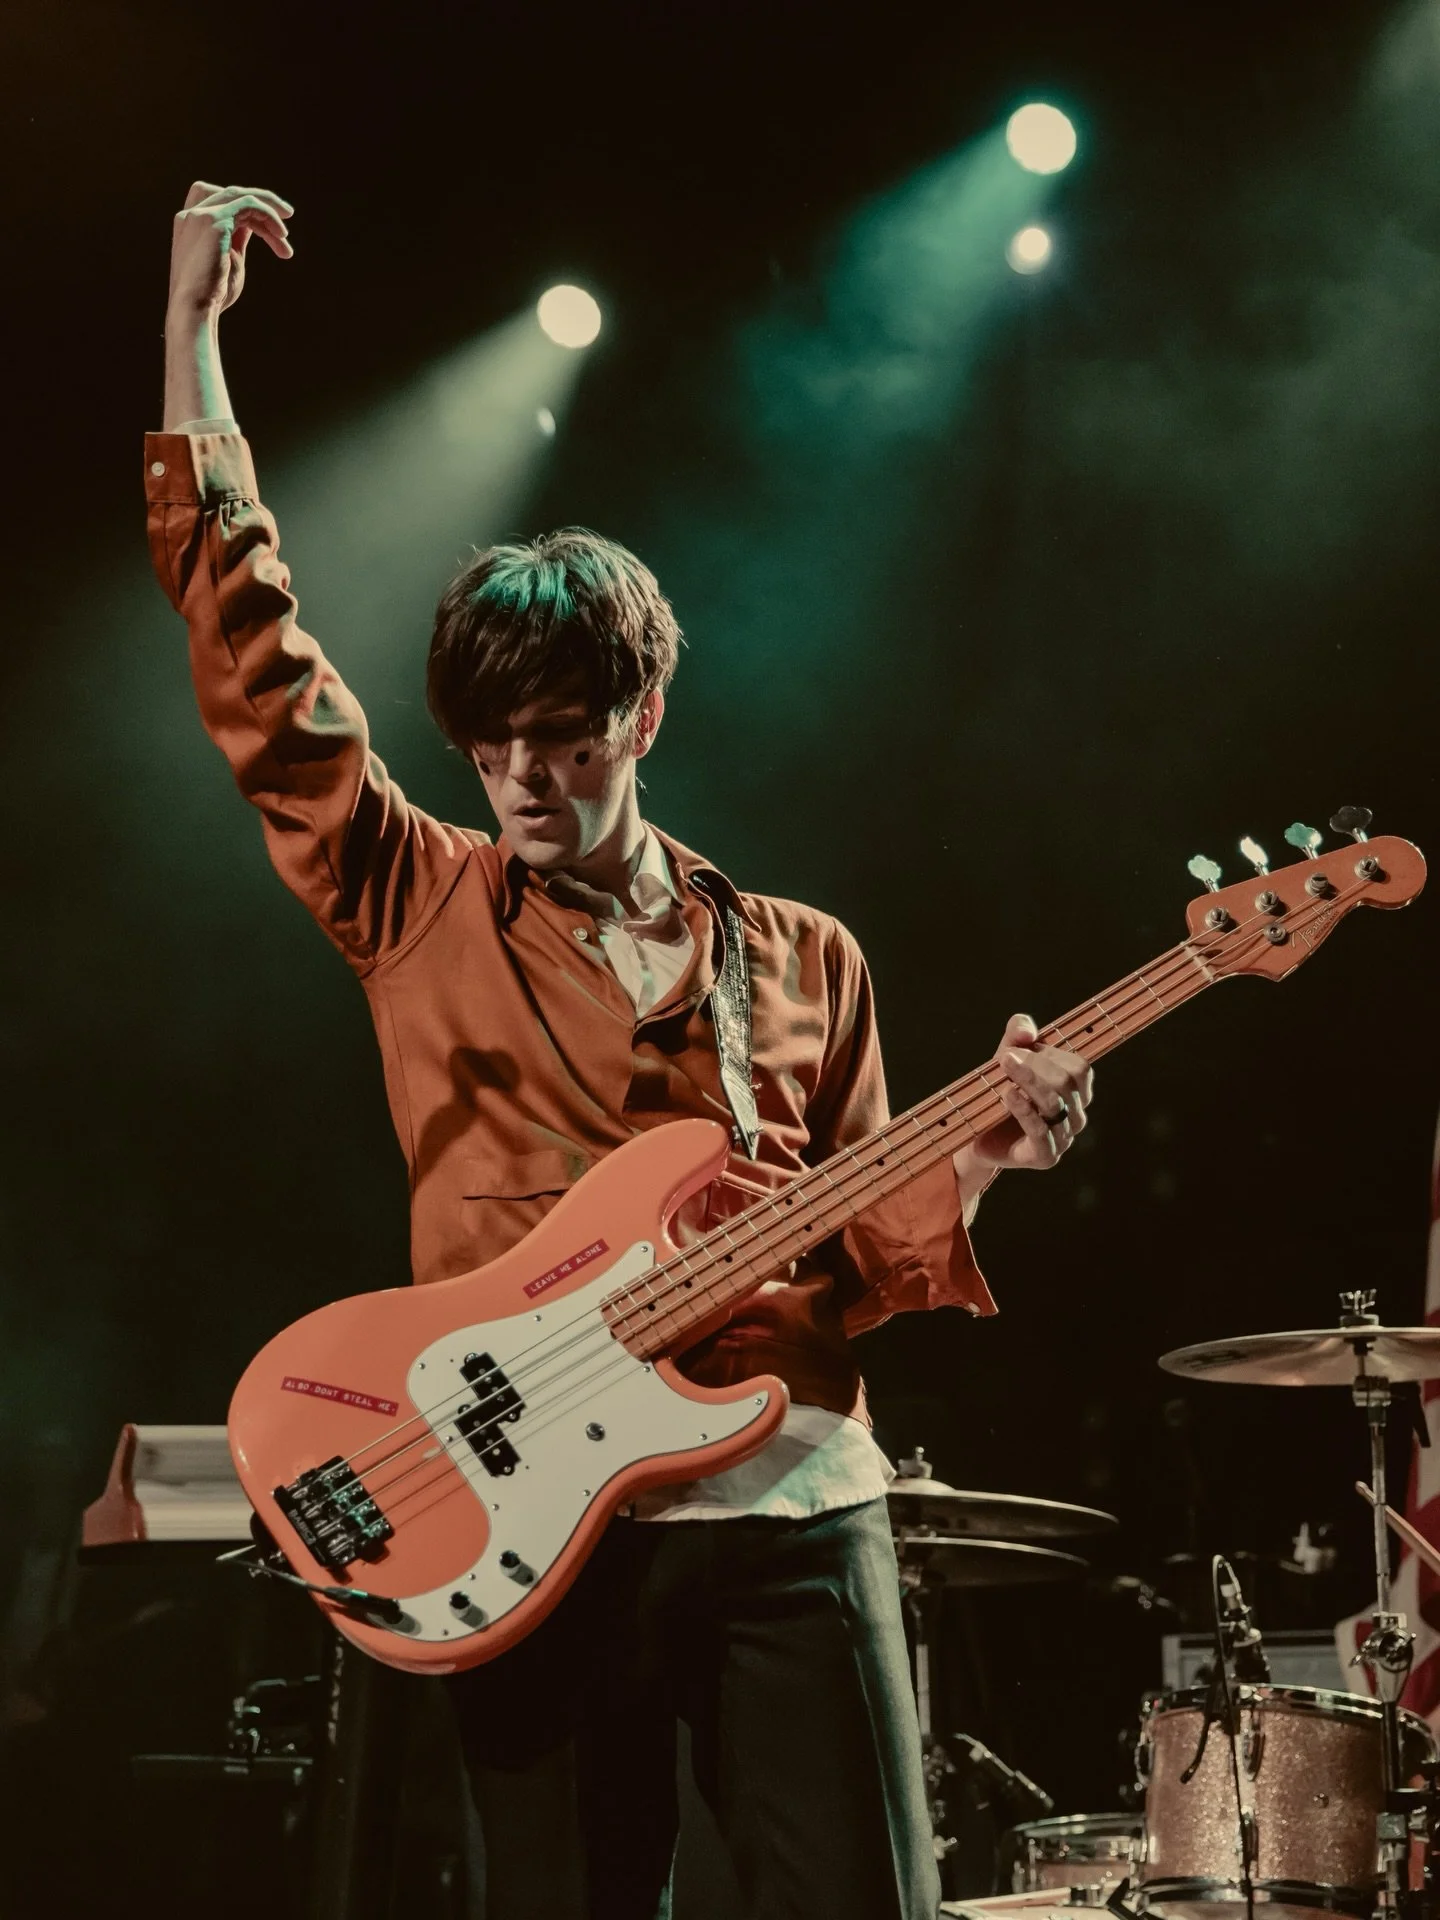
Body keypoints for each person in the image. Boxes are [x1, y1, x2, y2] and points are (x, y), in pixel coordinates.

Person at [148, 181, 1095, 1920]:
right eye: (490, 744)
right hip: (526, 1535)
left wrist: (980, 1160)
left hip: (791, 1505)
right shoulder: (416, 899)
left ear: (643, 717)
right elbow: (259, 668)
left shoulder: (806, 960)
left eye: (563, 741)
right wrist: (191, 343)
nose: (519, 779)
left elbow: (873, 1264)